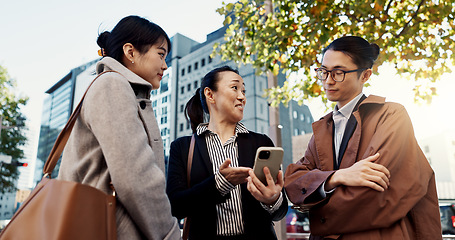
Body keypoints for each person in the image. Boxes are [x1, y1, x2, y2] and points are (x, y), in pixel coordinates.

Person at [284, 36, 441, 239]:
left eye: (338, 72)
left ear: (365, 75)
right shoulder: (323, 127)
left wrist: (316, 208)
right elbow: (294, 183)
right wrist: (336, 177)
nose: (328, 80)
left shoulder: (391, 115)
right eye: (323, 71)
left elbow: (374, 195)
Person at [58, 15, 181, 240]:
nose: (165, 65)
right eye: (161, 54)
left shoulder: (117, 88)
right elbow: (136, 175)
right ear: (131, 52)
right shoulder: (112, 85)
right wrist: (170, 234)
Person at [166, 66, 288, 240]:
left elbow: (280, 211)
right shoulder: (182, 147)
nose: (242, 97)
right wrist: (220, 183)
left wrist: (273, 199)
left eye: (244, 91)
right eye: (235, 88)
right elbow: (175, 206)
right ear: (210, 94)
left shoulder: (261, 143)